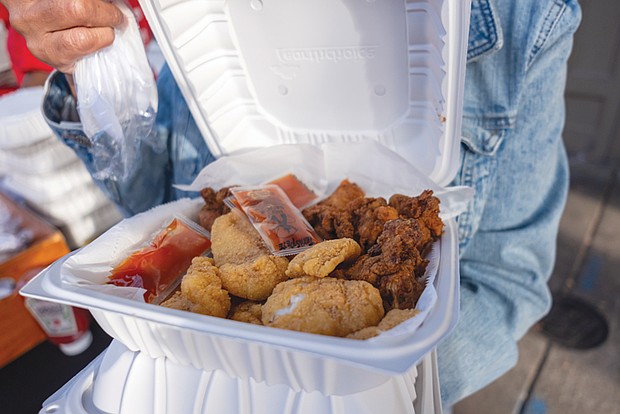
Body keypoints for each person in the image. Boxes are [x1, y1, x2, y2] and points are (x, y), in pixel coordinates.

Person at [0, 0, 582, 408]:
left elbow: (509, 286)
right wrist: (90, 66)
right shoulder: (193, 17)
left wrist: (353, 387)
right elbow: (153, 206)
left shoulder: (525, 18)